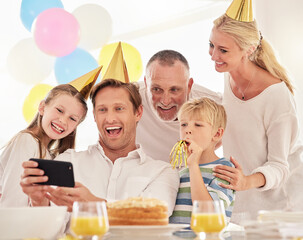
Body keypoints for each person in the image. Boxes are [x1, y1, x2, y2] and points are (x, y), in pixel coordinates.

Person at [20, 79, 179, 215]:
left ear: (138, 113)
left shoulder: (162, 172)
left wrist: (93, 205)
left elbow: (156, 216)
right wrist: (38, 200)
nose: (110, 118)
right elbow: (50, 228)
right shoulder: (67, 161)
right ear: (95, 116)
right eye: (102, 110)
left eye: (119, 108)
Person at [209, 0, 303, 224]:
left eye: (223, 50)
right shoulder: (228, 74)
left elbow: (279, 167)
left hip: (277, 212)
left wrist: (246, 181)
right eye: (211, 45)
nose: (213, 55)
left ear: (249, 50)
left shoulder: (277, 96)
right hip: (237, 206)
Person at [0, 84, 88, 207]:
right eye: (59, 110)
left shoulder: (51, 156)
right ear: (42, 107)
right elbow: (12, 202)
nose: (63, 120)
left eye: (72, 118)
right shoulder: (26, 140)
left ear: (75, 128)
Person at [136, 50, 222, 162]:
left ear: (189, 85)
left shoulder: (214, 106)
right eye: (156, 89)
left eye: (174, 90)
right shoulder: (129, 97)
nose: (165, 101)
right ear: (146, 84)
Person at [169, 97, 235, 224]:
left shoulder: (225, 169)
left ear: (217, 134)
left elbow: (209, 213)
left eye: (198, 125)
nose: (187, 130)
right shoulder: (180, 172)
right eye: (183, 124)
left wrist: (193, 165)